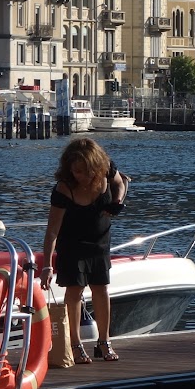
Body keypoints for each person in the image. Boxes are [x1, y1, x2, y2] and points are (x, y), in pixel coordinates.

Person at [40, 137, 130, 363]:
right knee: (75, 291)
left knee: (101, 289)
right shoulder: (64, 188)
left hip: (99, 240)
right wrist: (47, 266)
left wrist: (117, 201)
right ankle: (75, 344)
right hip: (72, 244)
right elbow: (52, 231)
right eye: (77, 171)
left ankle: (104, 341)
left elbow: (120, 183)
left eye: (87, 171)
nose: (82, 176)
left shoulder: (107, 169)